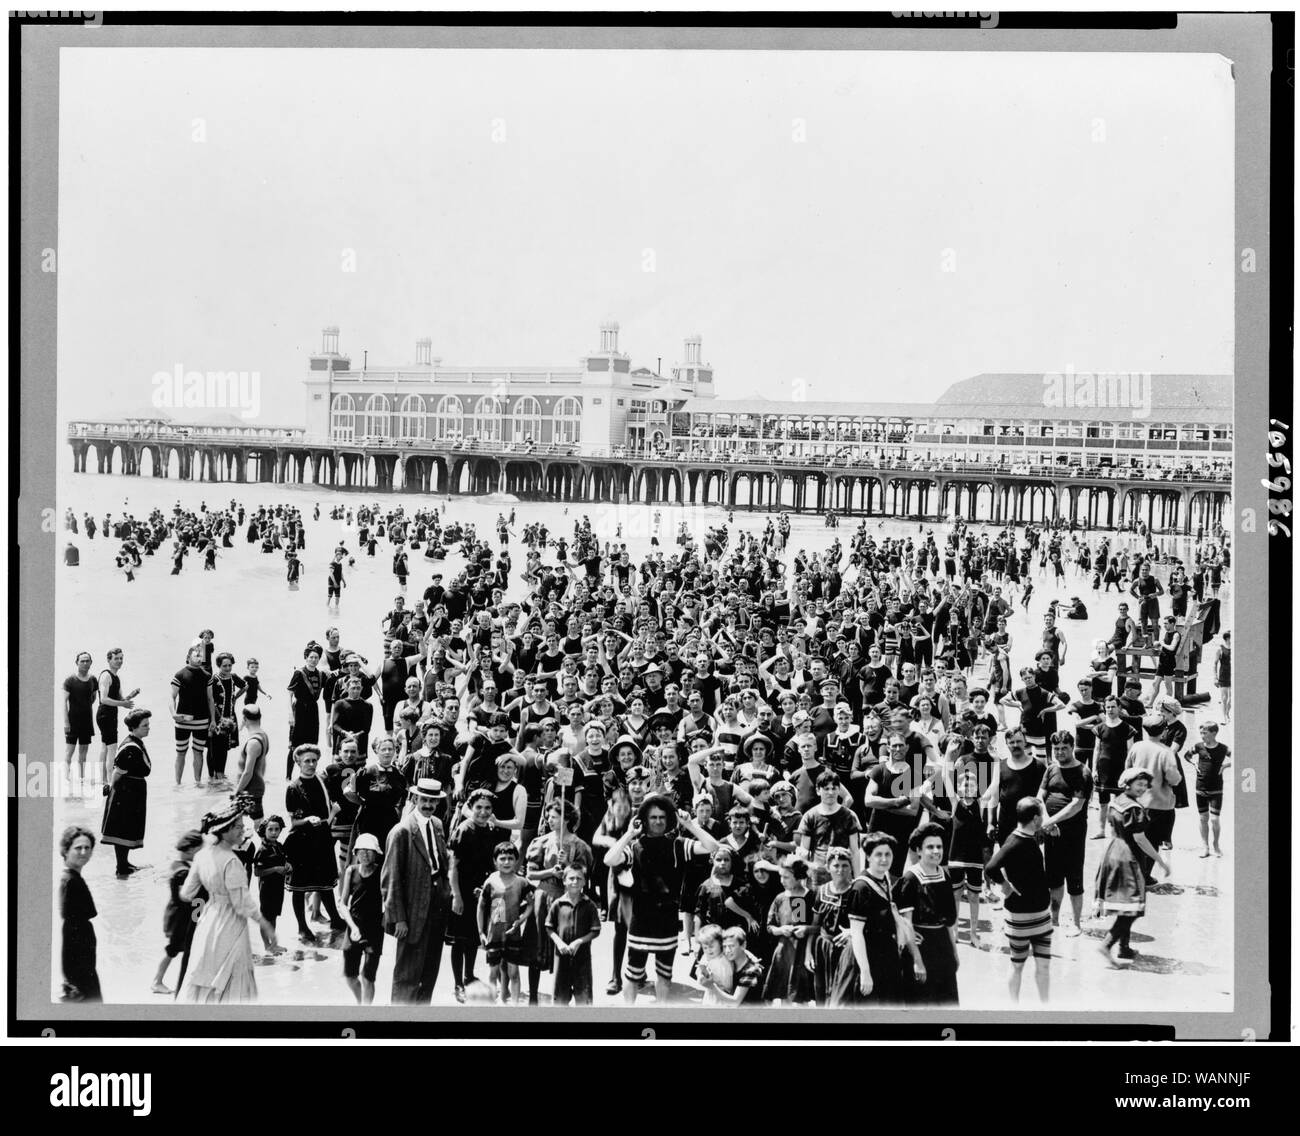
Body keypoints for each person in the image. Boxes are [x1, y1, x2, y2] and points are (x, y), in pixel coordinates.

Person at [602, 793, 720, 1005]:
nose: (657, 822)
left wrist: (690, 825)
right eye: (653, 817)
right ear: (645, 820)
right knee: (632, 974)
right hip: (641, 920)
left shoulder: (678, 845)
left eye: (662, 817)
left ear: (668, 820)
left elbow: (712, 847)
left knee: (664, 975)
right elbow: (609, 859)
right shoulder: (636, 846)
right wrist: (629, 834)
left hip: (666, 920)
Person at [180, 804, 279, 1003]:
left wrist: (213, 890)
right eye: (238, 827)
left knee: (204, 973)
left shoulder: (201, 856)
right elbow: (242, 904)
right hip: (231, 924)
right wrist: (266, 925)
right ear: (224, 830)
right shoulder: (231, 861)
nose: (243, 830)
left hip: (208, 921)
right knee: (233, 980)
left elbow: (186, 894)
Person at [382, 779, 453, 1004]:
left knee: (430, 967)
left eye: (433, 801)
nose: (429, 805)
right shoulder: (401, 832)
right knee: (408, 971)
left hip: (437, 904)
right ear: (414, 799)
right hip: (412, 908)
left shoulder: (438, 825)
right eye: (425, 800)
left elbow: (443, 864)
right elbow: (390, 879)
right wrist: (399, 919)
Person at [1094, 769, 1171, 968]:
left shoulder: (1117, 800)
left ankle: (1125, 948)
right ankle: (1107, 944)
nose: (1143, 788)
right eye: (1139, 784)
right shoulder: (1134, 808)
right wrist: (1160, 861)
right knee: (1134, 907)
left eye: (1145, 785)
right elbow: (1140, 839)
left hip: (1113, 851)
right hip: (1128, 856)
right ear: (1127, 783)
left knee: (1125, 904)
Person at [447, 788, 513, 1001]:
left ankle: (469, 975)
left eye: (487, 808)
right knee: (459, 939)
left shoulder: (491, 831)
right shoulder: (464, 830)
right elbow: (453, 867)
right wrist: (456, 895)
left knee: (473, 936)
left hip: (481, 893)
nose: (483, 812)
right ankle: (458, 983)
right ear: (470, 808)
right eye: (479, 808)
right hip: (464, 891)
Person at [984, 797, 1052, 1004]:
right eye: (1042, 814)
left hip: (1040, 916)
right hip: (1020, 918)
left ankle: (1045, 1009)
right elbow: (990, 867)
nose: (1043, 818)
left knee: (1042, 966)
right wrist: (1005, 886)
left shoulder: (1026, 837)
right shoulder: (1014, 841)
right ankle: (1014, 1009)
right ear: (1035, 818)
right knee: (1018, 965)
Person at [284, 744, 347, 944]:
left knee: (325, 884)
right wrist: (306, 820)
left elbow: (328, 814)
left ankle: (335, 919)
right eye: (306, 761)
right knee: (299, 887)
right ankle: (302, 927)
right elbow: (293, 822)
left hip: (322, 839)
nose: (311, 764)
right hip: (301, 842)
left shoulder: (322, 782)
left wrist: (334, 813)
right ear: (298, 763)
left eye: (314, 760)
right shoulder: (293, 788)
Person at [839, 832, 909, 1006]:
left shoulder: (884, 878)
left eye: (888, 854)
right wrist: (865, 972)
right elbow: (857, 933)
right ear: (868, 856)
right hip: (866, 956)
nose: (884, 859)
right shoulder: (861, 887)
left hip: (885, 952)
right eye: (878, 854)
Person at [895, 822, 959, 1005]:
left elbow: (948, 922)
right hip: (920, 948)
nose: (936, 851)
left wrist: (954, 952)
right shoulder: (910, 878)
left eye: (939, 846)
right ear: (919, 850)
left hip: (942, 946)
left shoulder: (944, 875)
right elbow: (906, 922)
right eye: (930, 847)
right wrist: (917, 961)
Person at [1036, 732, 1093, 937]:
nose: (1059, 752)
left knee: (1074, 880)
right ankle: (1055, 919)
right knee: (1054, 879)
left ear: (1072, 747)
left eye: (1064, 748)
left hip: (1073, 836)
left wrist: (1050, 821)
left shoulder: (1083, 772)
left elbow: (1076, 806)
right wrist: (1045, 820)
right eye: (1056, 749)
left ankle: (1077, 923)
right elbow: (1040, 796)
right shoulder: (1051, 768)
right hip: (1052, 834)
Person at [477, 841, 534, 1003]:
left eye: (510, 858)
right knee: (493, 972)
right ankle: (492, 1006)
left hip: (512, 934)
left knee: (514, 972)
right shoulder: (490, 881)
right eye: (502, 859)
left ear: (516, 860)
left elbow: (530, 904)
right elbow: (481, 907)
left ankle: (514, 1007)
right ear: (495, 861)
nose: (506, 862)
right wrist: (481, 932)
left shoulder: (521, 882)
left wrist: (521, 920)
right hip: (493, 934)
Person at [100, 707, 153, 879]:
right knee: (122, 829)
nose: (148, 727)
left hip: (133, 791)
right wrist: (112, 791)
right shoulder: (130, 747)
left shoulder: (136, 741)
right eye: (145, 725)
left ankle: (124, 864)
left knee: (128, 828)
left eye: (148, 724)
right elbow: (117, 772)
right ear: (135, 728)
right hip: (125, 793)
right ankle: (121, 867)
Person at [151, 829, 204, 994]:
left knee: (184, 948)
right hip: (180, 917)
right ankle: (157, 981)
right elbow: (187, 897)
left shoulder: (179, 865)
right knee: (173, 949)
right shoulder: (182, 872)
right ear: (190, 850)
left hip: (184, 914)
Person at [1123, 737, 1183, 884]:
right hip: (1159, 804)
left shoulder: (1136, 746)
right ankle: (1145, 876)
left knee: (1136, 839)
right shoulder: (1166, 751)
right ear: (1163, 732)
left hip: (1137, 801)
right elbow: (1173, 778)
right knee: (1153, 841)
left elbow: (1127, 769)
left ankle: (1132, 875)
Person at [339, 832, 385, 1004]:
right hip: (353, 927)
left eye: (369, 851)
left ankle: (366, 1011)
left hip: (374, 928)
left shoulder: (382, 872)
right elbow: (342, 904)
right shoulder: (351, 871)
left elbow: (390, 899)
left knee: (368, 977)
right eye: (361, 850)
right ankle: (361, 1005)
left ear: (376, 853)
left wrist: (386, 918)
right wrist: (354, 927)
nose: (365, 854)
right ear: (355, 853)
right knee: (350, 976)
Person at [763, 858, 817, 1006]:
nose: (782, 881)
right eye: (781, 876)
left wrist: (807, 929)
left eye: (786, 877)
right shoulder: (780, 898)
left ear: (799, 877)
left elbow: (819, 926)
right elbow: (770, 927)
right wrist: (780, 930)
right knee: (783, 995)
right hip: (784, 952)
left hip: (802, 953)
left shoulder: (811, 897)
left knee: (800, 997)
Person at [59, 825, 101, 1002]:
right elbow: (70, 928)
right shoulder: (70, 882)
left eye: (87, 848)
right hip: (80, 965)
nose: (83, 852)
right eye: (78, 848)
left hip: (83, 960)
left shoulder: (72, 878)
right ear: (66, 851)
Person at [171, 644, 215, 788]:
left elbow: (210, 699)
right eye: (196, 655)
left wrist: (213, 720)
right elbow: (171, 697)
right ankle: (177, 784)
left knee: (198, 752)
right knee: (181, 753)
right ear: (188, 657)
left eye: (200, 655)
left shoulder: (207, 676)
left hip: (201, 720)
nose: (199, 657)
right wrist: (174, 715)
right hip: (182, 720)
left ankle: (197, 783)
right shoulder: (180, 674)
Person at [96, 647, 138, 791]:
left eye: (121, 658)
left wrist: (130, 697)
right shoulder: (106, 675)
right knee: (111, 747)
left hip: (110, 714)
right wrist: (123, 704)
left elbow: (120, 699)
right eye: (116, 658)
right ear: (109, 660)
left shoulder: (116, 677)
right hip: (105, 714)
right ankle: (109, 781)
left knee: (105, 747)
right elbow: (104, 699)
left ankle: (102, 780)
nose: (119, 661)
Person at [1189, 722, 1231, 858]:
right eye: (1200, 733)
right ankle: (1205, 846)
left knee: (1214, 819)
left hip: (1216, 789)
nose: (1202, 736)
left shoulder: (1223, 748)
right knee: (1203, 818)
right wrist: (1194, 763)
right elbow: (1187, 755)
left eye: (1204, 733)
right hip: (1200, 787)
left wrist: (1225, 766)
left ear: (1214, 733)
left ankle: (1216, 845)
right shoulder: (1198, 746)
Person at [63, 651, 99, 797]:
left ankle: (82, 779)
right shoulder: (70, 680)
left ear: (91, 663)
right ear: (77, 662)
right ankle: (66, 779)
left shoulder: (93, 679)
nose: (84, 663)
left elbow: (93, 697)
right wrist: (66, 722)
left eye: (87, 661)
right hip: (73, 721)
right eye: (82, 661)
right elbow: (64, 703)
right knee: (69, 752)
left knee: (83, 752)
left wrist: (86, 708)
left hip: (87, 721)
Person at [253, 815, 288, 956]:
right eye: (270, 829)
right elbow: (257, 871)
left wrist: (287, 866)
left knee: (273, 917)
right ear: (264, 831)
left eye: (277, 829)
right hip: (267, 888)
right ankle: (267, 945)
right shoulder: (262, 850)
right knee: (266, 917)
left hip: (278, 887)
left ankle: (273, 944)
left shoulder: (279, 846)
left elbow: (283, 862)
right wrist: (275, 869)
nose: (274, 832)